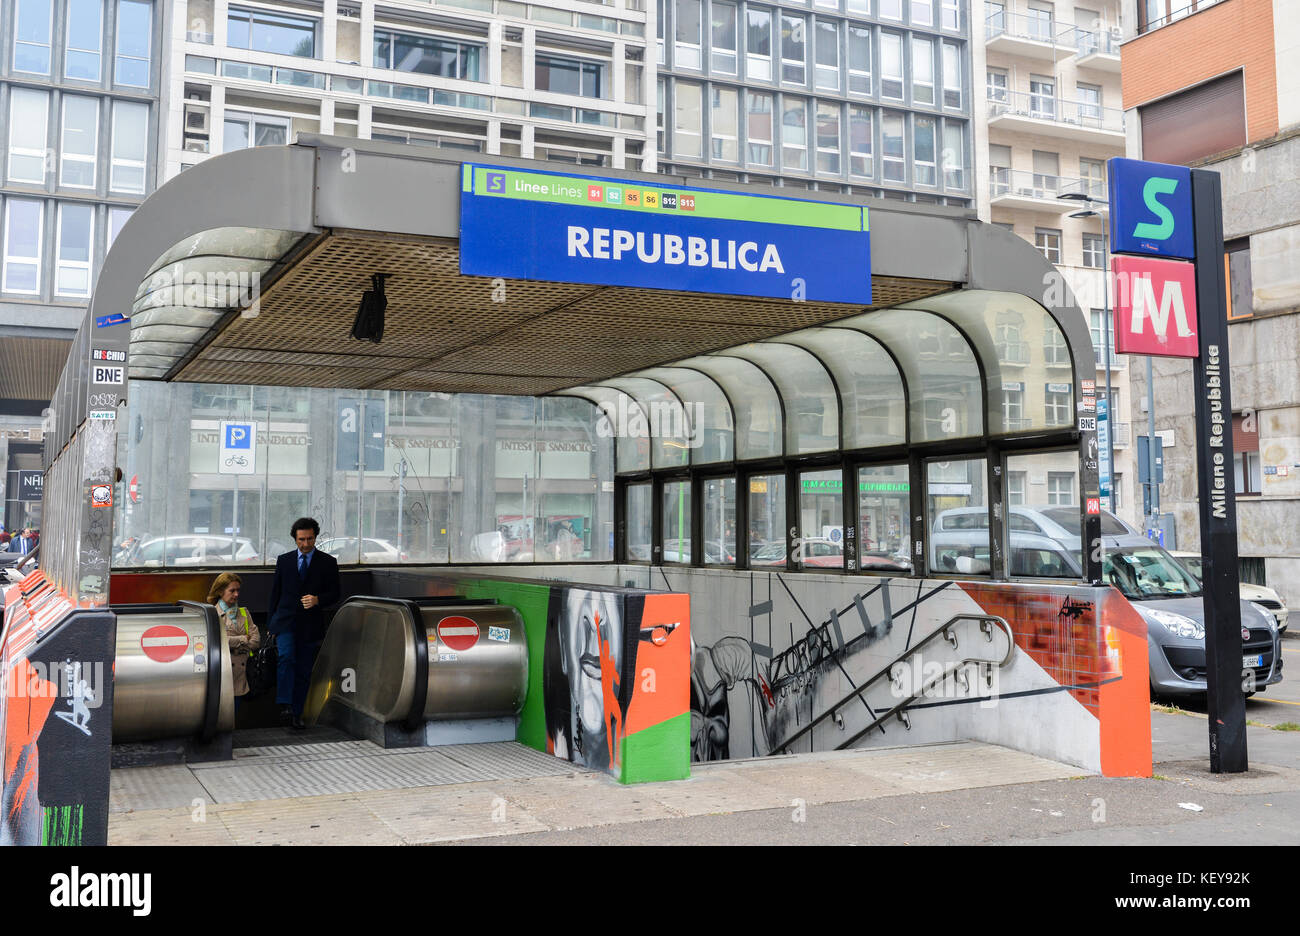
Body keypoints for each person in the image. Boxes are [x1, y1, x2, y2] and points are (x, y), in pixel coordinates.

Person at [267, 518, 339, 729]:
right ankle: (285, 703)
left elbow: (335, 593)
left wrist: (318, 600)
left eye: (309, 539)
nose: (305, 544)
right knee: (286, 657)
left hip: (310, 624)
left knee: (304, 670)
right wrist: (272, 623)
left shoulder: (327, 562)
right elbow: (275, 594)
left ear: (315, 537)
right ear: (295, 539)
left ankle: (296, 714)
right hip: (286, 621)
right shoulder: (284, 560)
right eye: (301, 540)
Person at [208, 572, 260, 712]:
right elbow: (216, 640)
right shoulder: (212, 614)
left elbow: (256, 641)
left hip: (240, 673)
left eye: (238, 590)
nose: (236, 594)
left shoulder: (244, 612)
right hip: (223, 672)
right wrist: (243, 639)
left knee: (234, 712)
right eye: (232, 590)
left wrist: (233, 644)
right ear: (220, 591)